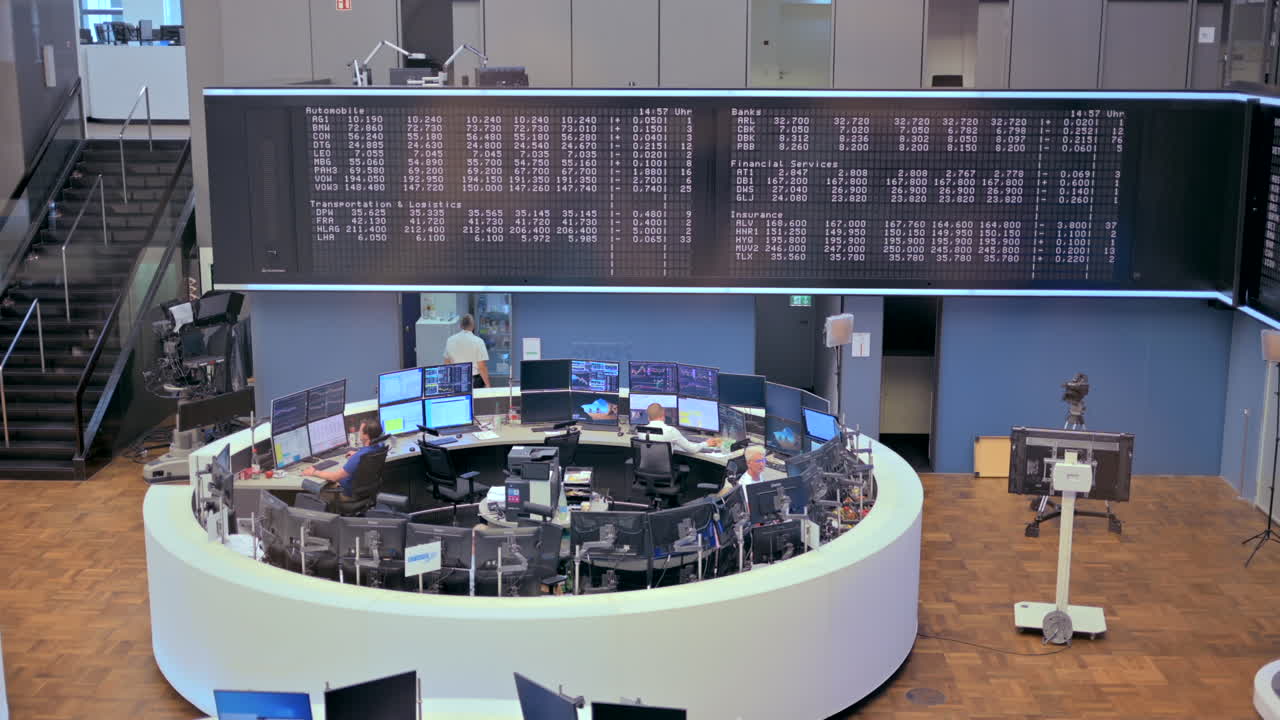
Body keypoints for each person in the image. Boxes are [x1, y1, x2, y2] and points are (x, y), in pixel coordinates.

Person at [300, 420, 385, 509]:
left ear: (366, 436)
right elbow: (365, 453)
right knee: (328, 483)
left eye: (360, 431)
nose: (359, 433)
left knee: (308, 485)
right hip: (366, 493)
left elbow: (334, 477)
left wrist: (313, 472)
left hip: (347, 495)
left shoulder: (359, 457)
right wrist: (357, 453)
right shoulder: (379, 448)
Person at [641, 402, 721, 455]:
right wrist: (706, 443)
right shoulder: (671, 431)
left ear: (648, 418)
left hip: (644, 468)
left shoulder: (641, 431)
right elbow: (692, 449)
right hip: (665, 470)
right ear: (663, 415)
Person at [444, 314, 490, 389]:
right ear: (473, 326)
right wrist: (487, 384)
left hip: (456, 379)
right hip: (474, 381)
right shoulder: (478, 341)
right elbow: (481, 366)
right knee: (475, 400)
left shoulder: (450, 340)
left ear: (461, 326)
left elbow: (447, 363)